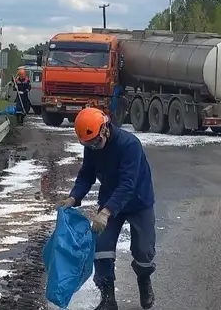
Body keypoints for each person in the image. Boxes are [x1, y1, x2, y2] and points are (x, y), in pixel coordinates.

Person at [57, 107, 156, 310]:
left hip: (138, 202)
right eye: (89, 145)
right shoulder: (92, 145)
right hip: (110, 200)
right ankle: (108, 299)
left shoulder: (129, 145)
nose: (93, 147)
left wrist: (105, 212)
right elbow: (86, 175)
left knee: (143, 251)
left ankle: (144, 280)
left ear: (105, 129)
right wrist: (73, 198)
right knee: (101, 248)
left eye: (95, 142)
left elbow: (128, 185)